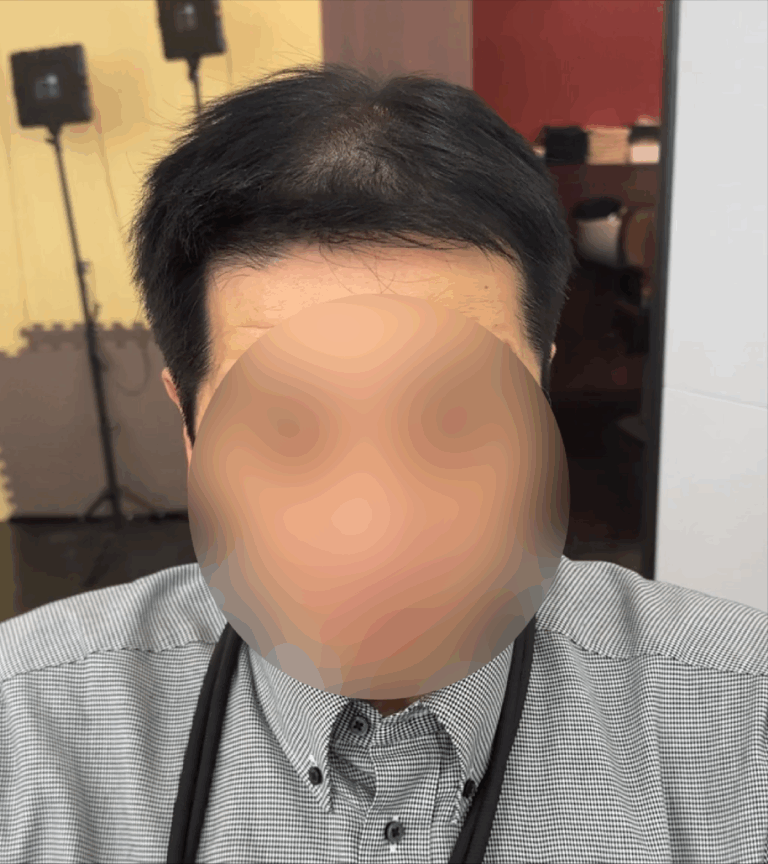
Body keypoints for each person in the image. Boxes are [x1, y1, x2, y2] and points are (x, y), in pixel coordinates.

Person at [1, 63, 765, 864]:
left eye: (454, 415)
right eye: (288, 426)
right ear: (190, 429)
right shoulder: (27, 729)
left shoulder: (743, 720)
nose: (374, 522)